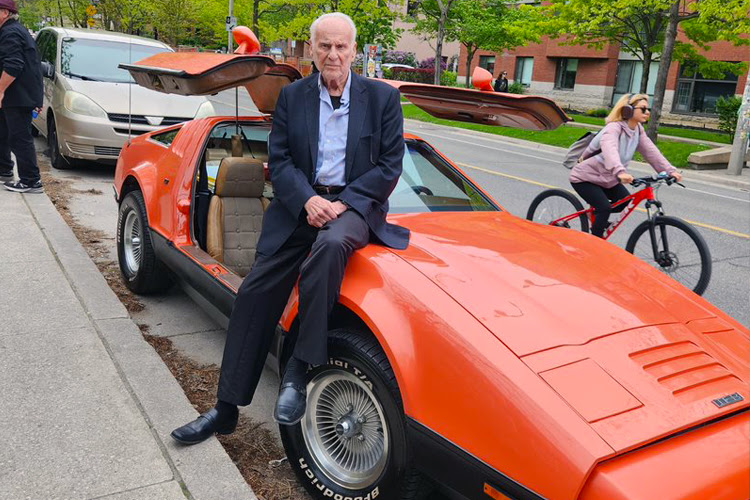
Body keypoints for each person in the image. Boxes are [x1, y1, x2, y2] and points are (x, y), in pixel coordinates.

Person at [171, 12, 409, 444]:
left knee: (332, 247)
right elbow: (279, 163)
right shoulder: (293, 97)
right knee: (254, 293)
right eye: (324, 46)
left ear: (355, 50)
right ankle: (225, 410)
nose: (333, 54)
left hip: (354, 207)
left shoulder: (381, 99)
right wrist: (308, 201)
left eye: (341, 46)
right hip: (300, 206)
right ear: (313, 50)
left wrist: (342, 204)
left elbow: (390, 167)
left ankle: (298, 366)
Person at [569, 93, 682, 238]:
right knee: (604, 208)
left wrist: (669, 171)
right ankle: (593, 242)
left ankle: (597, 220)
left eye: (648, 109)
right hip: (585, 178)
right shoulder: (613, 128)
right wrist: (620, 172)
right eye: (643, 109)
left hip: (608, 180)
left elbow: (651, 152)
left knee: (625, 203)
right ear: (628, 110)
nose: (647, 112)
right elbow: (610, 150)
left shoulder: (638, 130)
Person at [0, 0, 43, 193]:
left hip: (19, 95)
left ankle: (31, 181)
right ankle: (4, 170)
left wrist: (0, 90)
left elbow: (13, 65)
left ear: (4, 12)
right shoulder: (11, 30)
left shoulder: (10, 33)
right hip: (17, 94)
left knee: (19, 137)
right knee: (4, 132)